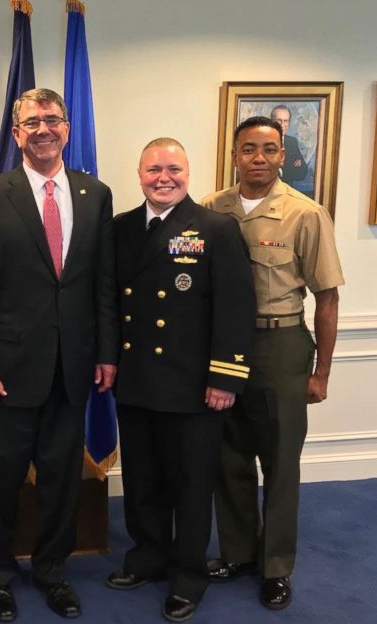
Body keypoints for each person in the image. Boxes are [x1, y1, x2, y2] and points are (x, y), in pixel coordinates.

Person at [0, 88, 119, 622]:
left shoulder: (95, 194)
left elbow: (102, 283)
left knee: (61, 481)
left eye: (53, 119)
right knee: (0, 482)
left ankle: (52, 571)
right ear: (16, 132)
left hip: (72, 368)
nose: (44, 129)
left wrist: (105, 352)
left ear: (67, 129)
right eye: (33, 122)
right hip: (4, 372)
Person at [105, 138, 254, 623]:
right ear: (139, 173)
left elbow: (235, 308)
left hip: (194, 387)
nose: (163, 177)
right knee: (143, 480)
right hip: (138, 380)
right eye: (153, 169)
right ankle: (148, 556)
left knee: (190, 485)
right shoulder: (122, 228)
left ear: (189, 172)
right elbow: (109, 303)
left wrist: (226, 377)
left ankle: (188, 575)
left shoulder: (215, 228)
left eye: (173, 168)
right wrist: (107, 360)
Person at [202, 116, 344, 611]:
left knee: (280, 461)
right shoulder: (210, 208)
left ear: (283, 155)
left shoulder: (305, 215)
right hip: (221, 347)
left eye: (268, 149)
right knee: (228, 455)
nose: (258, 158)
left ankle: (276, 567)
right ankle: (238, 554)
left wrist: (321, 371)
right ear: (235, 155)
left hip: (279, 344)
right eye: (248, 149)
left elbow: (326, 297)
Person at [269, 106, 308, 184]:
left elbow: (303, 172)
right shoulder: (262, 142)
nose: (282, 125)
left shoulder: (292, 142)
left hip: (288, 192)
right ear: (272, 122)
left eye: (286, 121)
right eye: (279, 120)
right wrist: (291, 169)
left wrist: (281, 173)